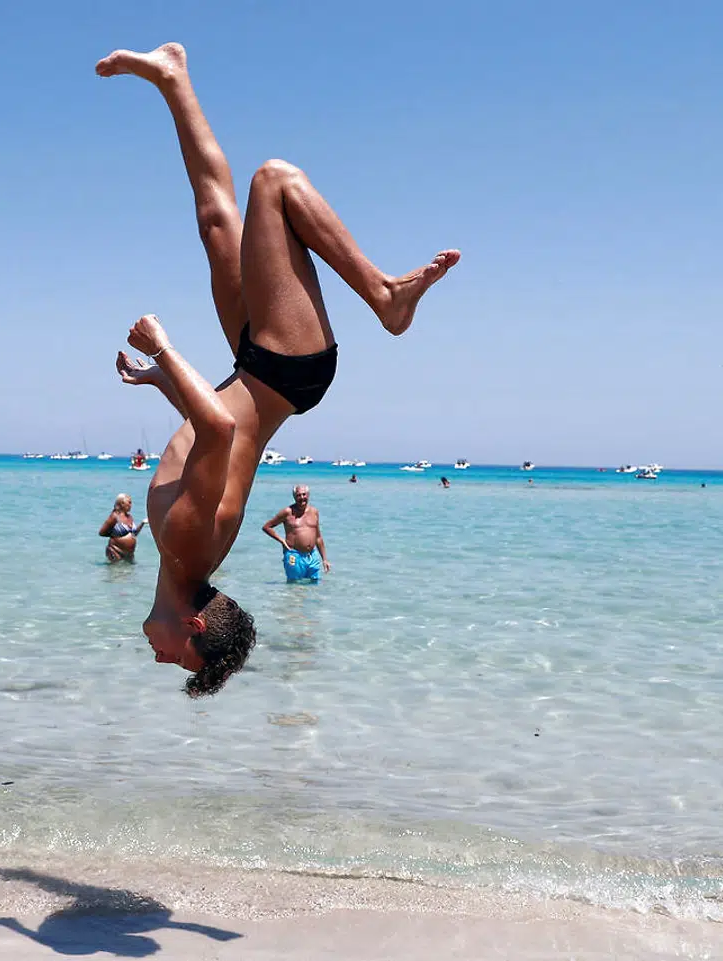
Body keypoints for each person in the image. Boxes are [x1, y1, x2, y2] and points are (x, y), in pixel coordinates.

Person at [100, 43, 459, 695]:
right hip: (288, 366)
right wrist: (163, 349)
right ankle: (385, 297)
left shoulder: (181, 551)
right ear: (196, 630)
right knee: (275, 181)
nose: (160, 659)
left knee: (217, 223)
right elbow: (215, 428)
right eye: (179, 660)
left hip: (257, 368)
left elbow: (215, 437)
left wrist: (158, 381)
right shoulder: (182, 543)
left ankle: (173, 76)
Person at [262, 485, 330, 583]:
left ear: (308, 495)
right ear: (294, 497)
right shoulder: (287, 512)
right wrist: (281, 541)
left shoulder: (314, 512)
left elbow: (318, 537)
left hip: (312, 555)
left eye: (304, 494)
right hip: (294, 555)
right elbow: (267, 527)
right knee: (294, 586)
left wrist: (324, 559)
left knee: (314, 584)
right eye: (298, 495)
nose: (302, 497)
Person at [99, 493, 147, 562]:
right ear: (122, 503)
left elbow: (134, 534)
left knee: (129, 572)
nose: (131, 505)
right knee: (116, 571)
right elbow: (102, 533)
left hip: (129, 554)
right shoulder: (114, 516)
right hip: (115, 551)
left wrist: (142, 523)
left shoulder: (130, 517)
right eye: (129, 502)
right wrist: (116, 536)